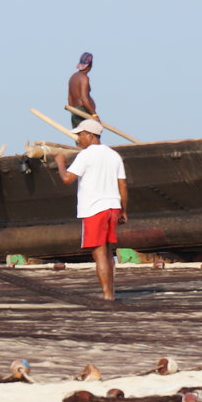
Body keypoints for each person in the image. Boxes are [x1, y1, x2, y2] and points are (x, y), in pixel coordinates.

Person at [54, 118, 128, 301]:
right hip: (112, 207)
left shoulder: (86, 155)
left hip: (94, 208)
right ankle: (110, 292)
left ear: (90, 135)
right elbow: (123, 185)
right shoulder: (114, 155)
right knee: (108, 251)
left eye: (80, 134)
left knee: (99, 253)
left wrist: (60, 163)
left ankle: (107, 295)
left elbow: (67, 179)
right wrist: (123, 210)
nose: (78, 139)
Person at [67, 51, 97, 129]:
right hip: (83, 112)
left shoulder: (73, 77)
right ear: (90, 65)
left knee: (79, 139)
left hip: (75, 112)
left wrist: (73, 112)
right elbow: (84, 98)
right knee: (91, 138)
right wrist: (94, 114)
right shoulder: (84, 78)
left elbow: (69, 97)